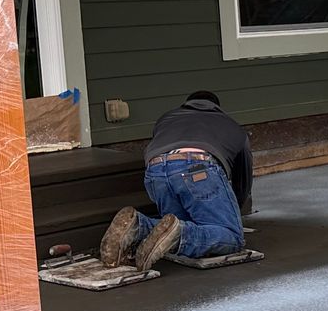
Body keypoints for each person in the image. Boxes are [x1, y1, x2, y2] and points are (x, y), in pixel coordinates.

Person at [99, 91, 253, 269]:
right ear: (218, 108)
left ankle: (139, 226)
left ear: (186, 104)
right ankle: (180, 234)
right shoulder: (231, 126)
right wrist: (234, 210)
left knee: (173, 227)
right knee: (232, 236)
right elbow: (243, 182)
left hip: (155, 171)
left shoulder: (167, 118)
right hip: (198, 167)